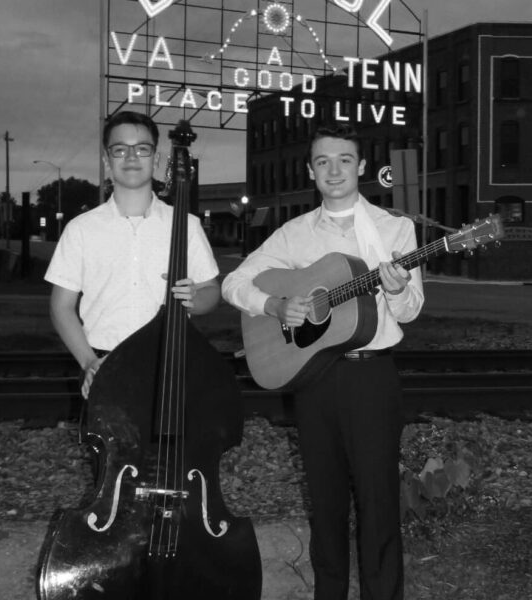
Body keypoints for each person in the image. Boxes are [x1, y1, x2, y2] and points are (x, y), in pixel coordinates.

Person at [222, 123, 424, 600]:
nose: (334, 170)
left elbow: (412, 308)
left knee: (378, 502)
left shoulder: (395, 229)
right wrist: (274, 306)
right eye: (323, 161)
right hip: (314, 380)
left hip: (371, 377)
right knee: (326, 504)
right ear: (311, 170)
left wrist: (395, 290)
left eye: (345, 160)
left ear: (361, 167)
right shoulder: (293, 234)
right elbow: (235, 283)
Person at [45, 110, 220, 399]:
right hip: (104, 362)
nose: (131, 157)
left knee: (173, 444)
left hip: (171, 361)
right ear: (106, 160)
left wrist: (195, 300)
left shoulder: (187, 226)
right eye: (119, 150)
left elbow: (210, 291)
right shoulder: (81, 229)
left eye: (141, 149)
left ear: (156, 158)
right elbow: (60, 307)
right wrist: (89, 362)